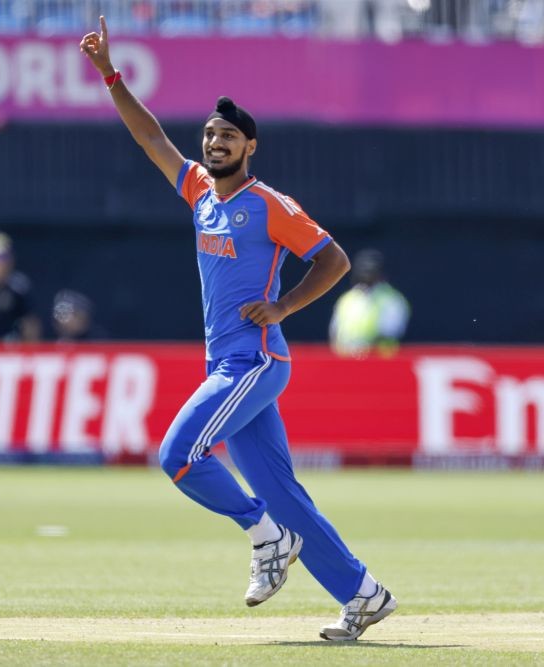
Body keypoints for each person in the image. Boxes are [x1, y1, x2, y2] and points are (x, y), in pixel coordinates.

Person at [80, 16, 397, 642]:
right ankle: (363, 593)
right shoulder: (200, 191)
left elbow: (331, 259)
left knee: (177, 455)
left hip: (253, 361)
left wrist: (282, 310)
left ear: (249, 147)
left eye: (227, 135)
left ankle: (264, 537)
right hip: (227, 364)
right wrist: (110, 76)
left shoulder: (270, 204)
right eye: (208, 134)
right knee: (286, 494)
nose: (214, 141)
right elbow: (149, 138)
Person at [329, 248, 410, 359]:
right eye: (363, 269)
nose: (366, 273)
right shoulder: (347, 299)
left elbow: (390, 333)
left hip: (380, 362)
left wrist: (362, 350)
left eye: (370, 269)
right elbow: (335, 334)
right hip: (347, 362)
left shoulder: (391, 299)